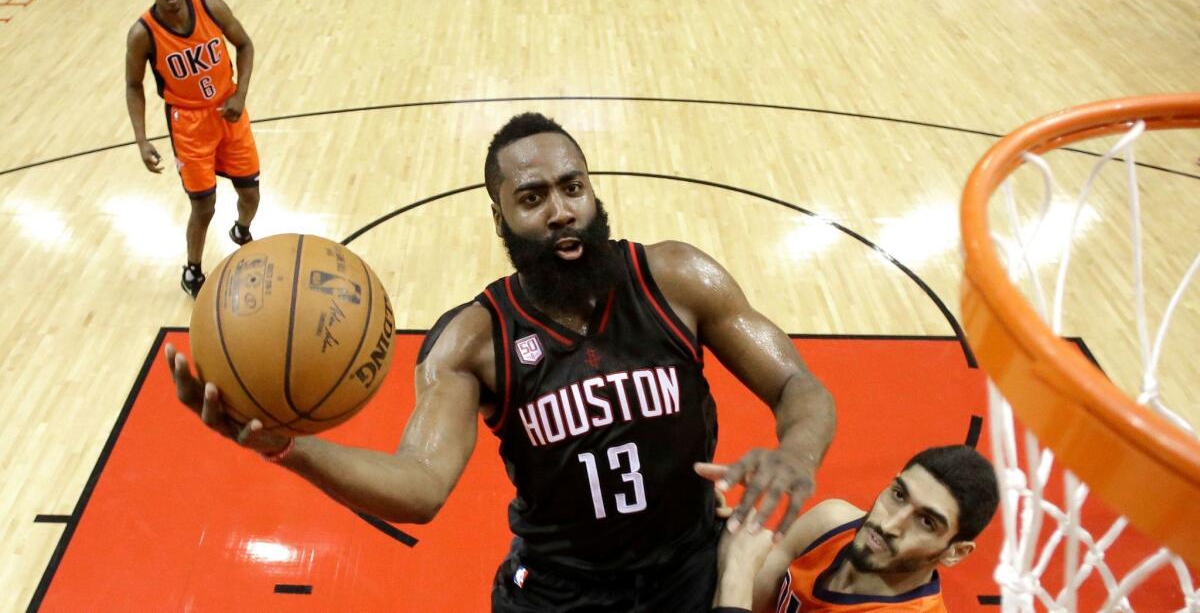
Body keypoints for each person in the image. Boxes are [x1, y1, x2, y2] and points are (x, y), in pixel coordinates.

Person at [165, 112, 837, 612]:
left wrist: (798, 454)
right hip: (560, 592)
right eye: (532, 196)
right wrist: (292, 450)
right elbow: (420, 485)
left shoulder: (676, 278)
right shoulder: (474, 340)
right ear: (500, 217)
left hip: (692, 569)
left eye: (573, 188)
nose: (560, 212)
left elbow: (797, 386)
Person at [704, 445, 999, 613]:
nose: (888, 524)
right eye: (898, 495)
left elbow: (738, 583)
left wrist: (738, 571)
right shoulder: (831, 522)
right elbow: (751, 599)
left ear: (956, 552)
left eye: (926, 522)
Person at [125, 0, 261, 297]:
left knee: (251, 193)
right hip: (188, 124)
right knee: (204, 206)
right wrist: (141, 140)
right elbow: (133, 85)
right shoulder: (142, 34)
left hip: (229, 112)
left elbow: (245, 45)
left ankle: (241, 230)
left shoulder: (211, 7)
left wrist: (240, 94)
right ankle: (193, 269)